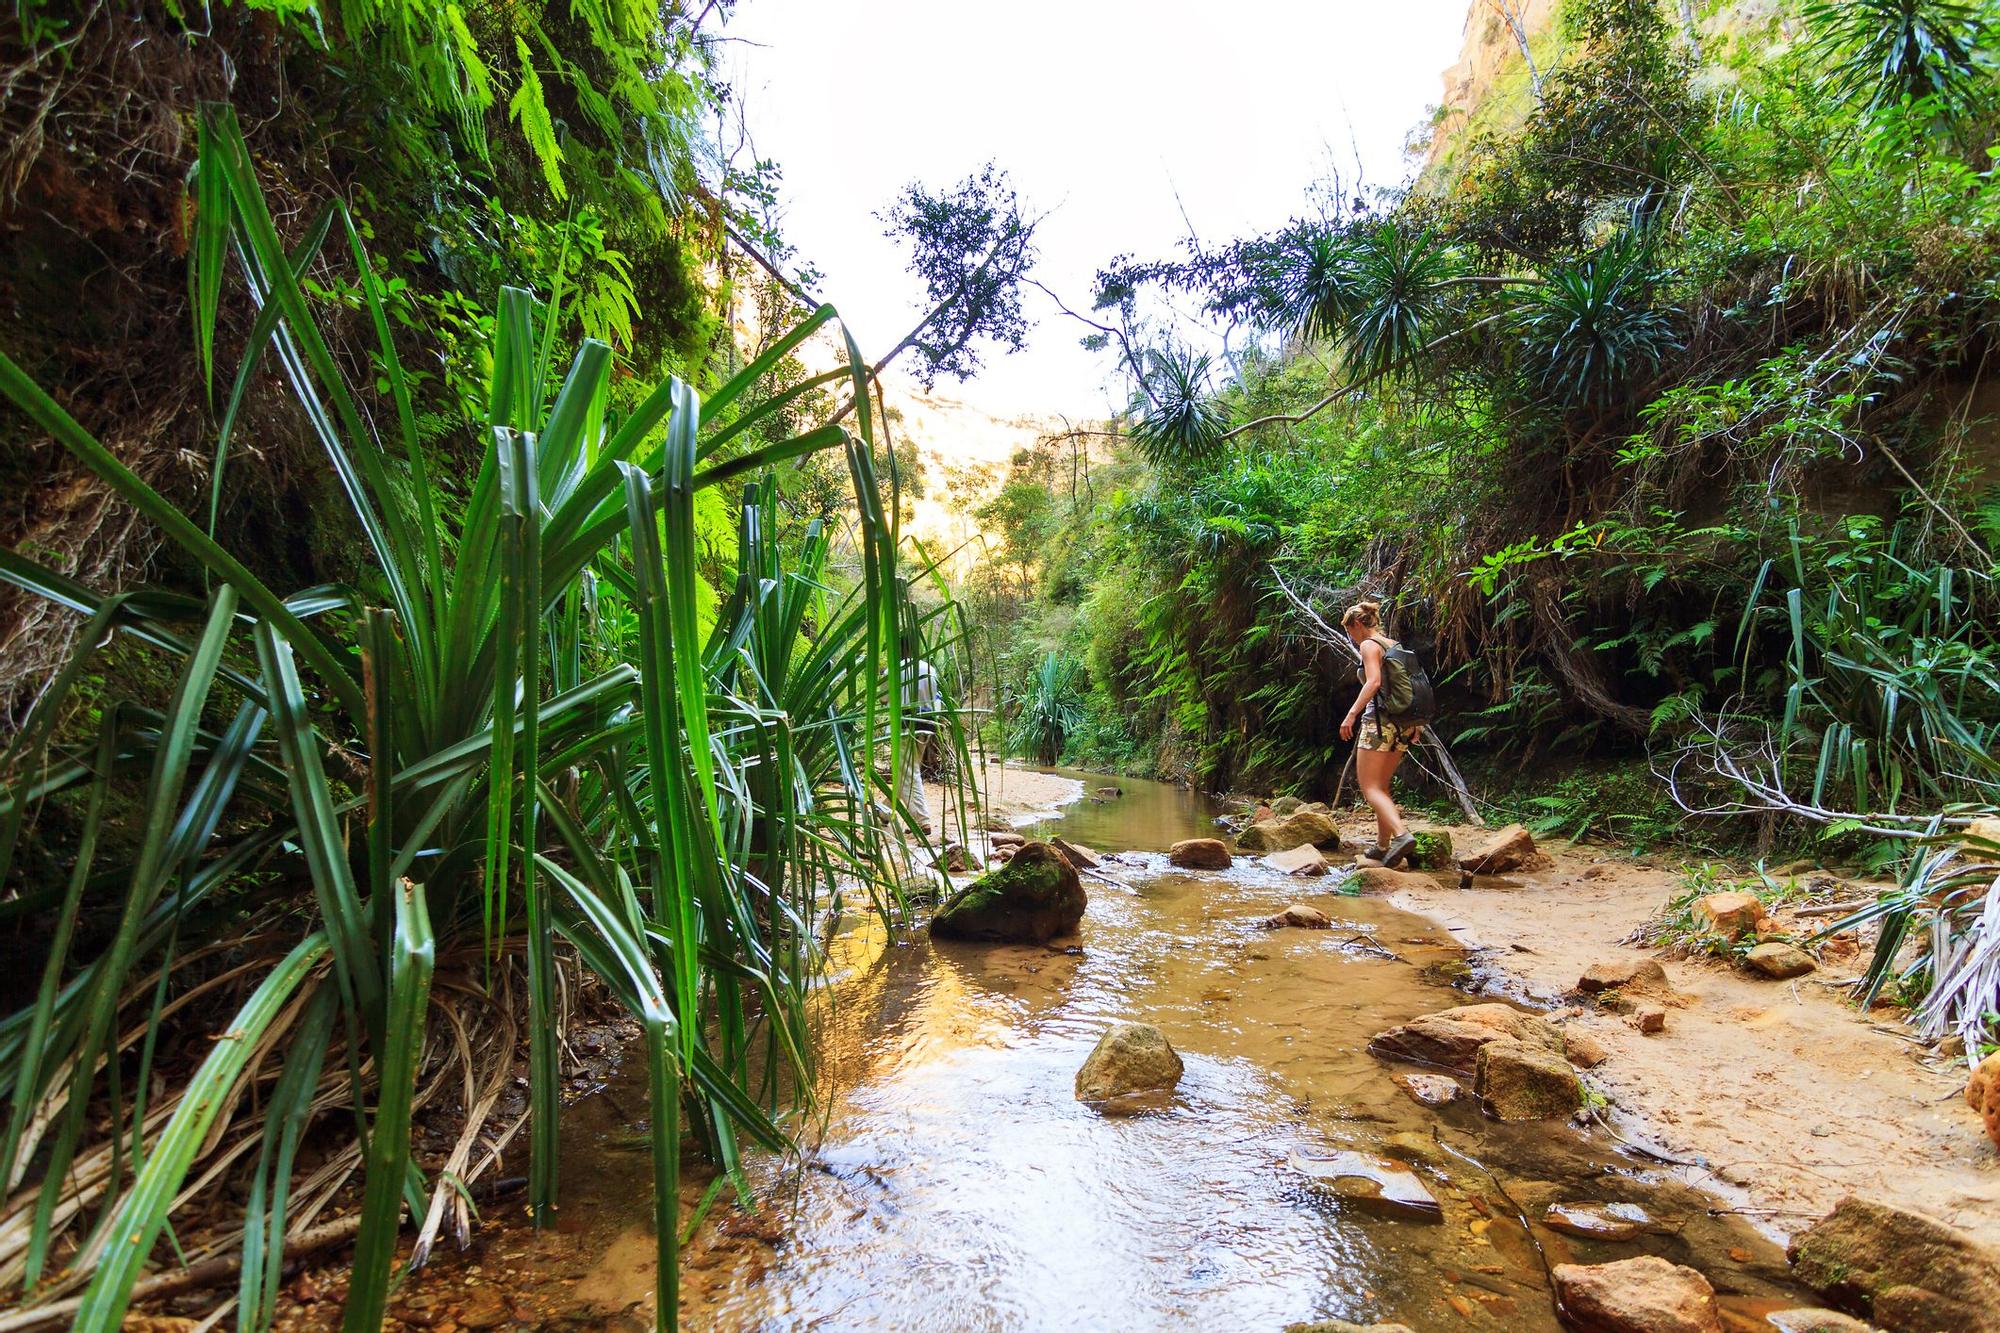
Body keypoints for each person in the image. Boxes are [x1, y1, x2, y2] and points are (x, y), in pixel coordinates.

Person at [1338, 600, 1425, 868]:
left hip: (1379, 723)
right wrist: (1417, 724)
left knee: (1370, 788)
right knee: (1382, 786)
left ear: (1358, 624)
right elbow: (1411, 684)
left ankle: (1400, 835)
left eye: (1350, 631)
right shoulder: (1393, 645)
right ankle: (1382, 845)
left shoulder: (1369, 645)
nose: (1351, 638)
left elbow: (1374, 682)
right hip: (1405, 723)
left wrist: (1351, 714)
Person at [896, 642, 941, 835]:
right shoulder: (930, 669)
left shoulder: (894, 669)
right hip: (926, 725)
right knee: (906, 772)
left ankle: (922, 819)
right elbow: (935, 697)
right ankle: (884, 811)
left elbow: (883, 699)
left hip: (903, 725)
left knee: (908, 771)